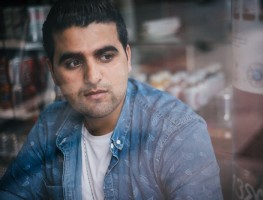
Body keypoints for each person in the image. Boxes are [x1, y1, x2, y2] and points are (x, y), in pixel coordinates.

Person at [0, 0, 223, 199]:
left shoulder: (177, 132)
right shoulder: (51, 123)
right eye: (73, 63)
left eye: (106, 56)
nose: (92, 76)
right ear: (53, 72)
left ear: (128, 58)